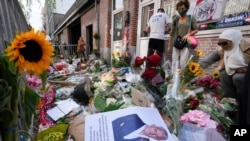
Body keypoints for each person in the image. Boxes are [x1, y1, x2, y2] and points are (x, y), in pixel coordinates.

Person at [199, 29, 250, 99]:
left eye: (224, 43)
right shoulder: (222, 49)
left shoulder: (248, 46)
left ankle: (243, 101)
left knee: (238, 77)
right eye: (219, 44)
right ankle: (230, 100)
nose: (222, 46)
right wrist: (192, 71)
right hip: (234, 71)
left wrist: (246, 70)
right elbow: (207, 61)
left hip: (246, 72)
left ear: (234, 40)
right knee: (223, 74)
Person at [167, 0, 198, 70]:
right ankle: (173, 79)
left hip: (185, 43)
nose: (180, 10)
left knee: (183, 63)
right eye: (179, 9)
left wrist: (188, 34)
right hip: (176, 43)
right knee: (174, 63)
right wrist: (169, 46)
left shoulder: (191, 18)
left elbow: (196, 30)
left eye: (182, 8)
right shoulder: (176, 19)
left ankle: (182, 79)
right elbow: (171, 33)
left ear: (186, 8)